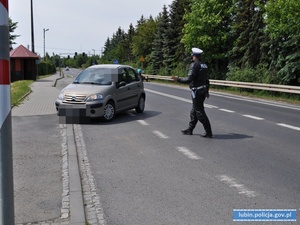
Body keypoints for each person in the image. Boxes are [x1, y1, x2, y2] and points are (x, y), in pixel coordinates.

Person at [172, 47, 213, 138]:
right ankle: (190, 130)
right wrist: (207, 91)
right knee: (194, 111)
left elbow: (189, 79)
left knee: (199, 112)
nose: (192, 57)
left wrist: (178, 79)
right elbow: (207, 80)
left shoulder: (195, 65)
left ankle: (208, 131)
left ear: (194, 56)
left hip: (197, 91)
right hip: (202, 90)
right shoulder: (204, 65)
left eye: (192, 55)